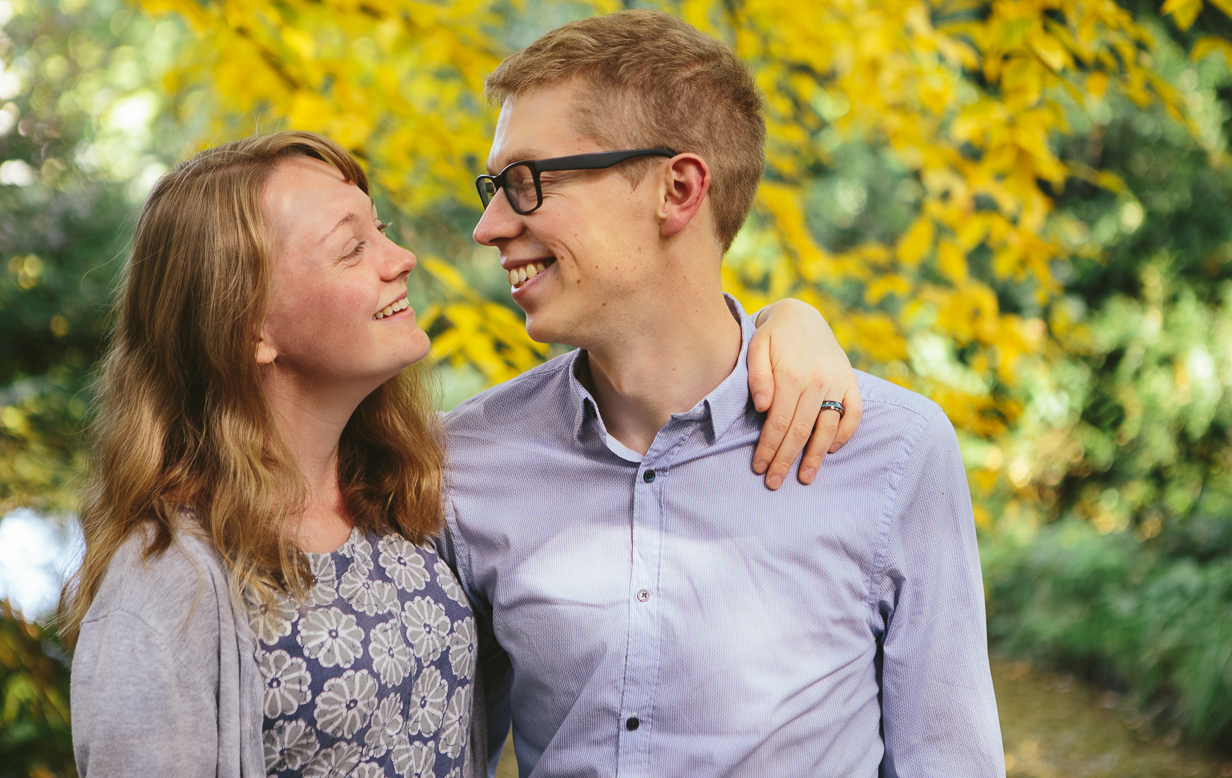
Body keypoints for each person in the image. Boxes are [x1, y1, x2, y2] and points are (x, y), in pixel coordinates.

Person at [61, 130, 860, 777]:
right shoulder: (165, 582)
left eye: (381, 229)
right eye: (352, 248)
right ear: (248, 326)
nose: (401, 257)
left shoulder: (412, 493)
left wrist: (786, 320)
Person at [443, 10, 1006, 777]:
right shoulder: (464, 461)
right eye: (494, 186)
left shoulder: (894, 451)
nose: (488, 226)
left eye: (526, 182)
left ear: (677, 189)